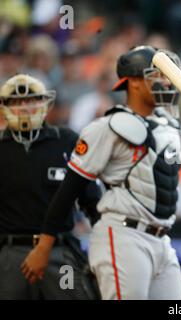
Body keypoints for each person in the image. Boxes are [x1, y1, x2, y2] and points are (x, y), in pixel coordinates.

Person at [21, 46, 181, 300]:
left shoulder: (170, 125)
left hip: (163, 239)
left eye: (168, 75)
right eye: (158, 75)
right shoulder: (109, 126)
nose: (166, 81)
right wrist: (44, 246)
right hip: (124, 235)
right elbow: (71, 188)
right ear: (134, 82)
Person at [0, 74, 101, 299]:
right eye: (17, 101)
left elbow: (92, 200)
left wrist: (107, 243)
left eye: (32, 100)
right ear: (4, 107)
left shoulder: (67, 141)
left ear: (45, 102)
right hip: (10, 253)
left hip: (60, 250)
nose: (25, 107)